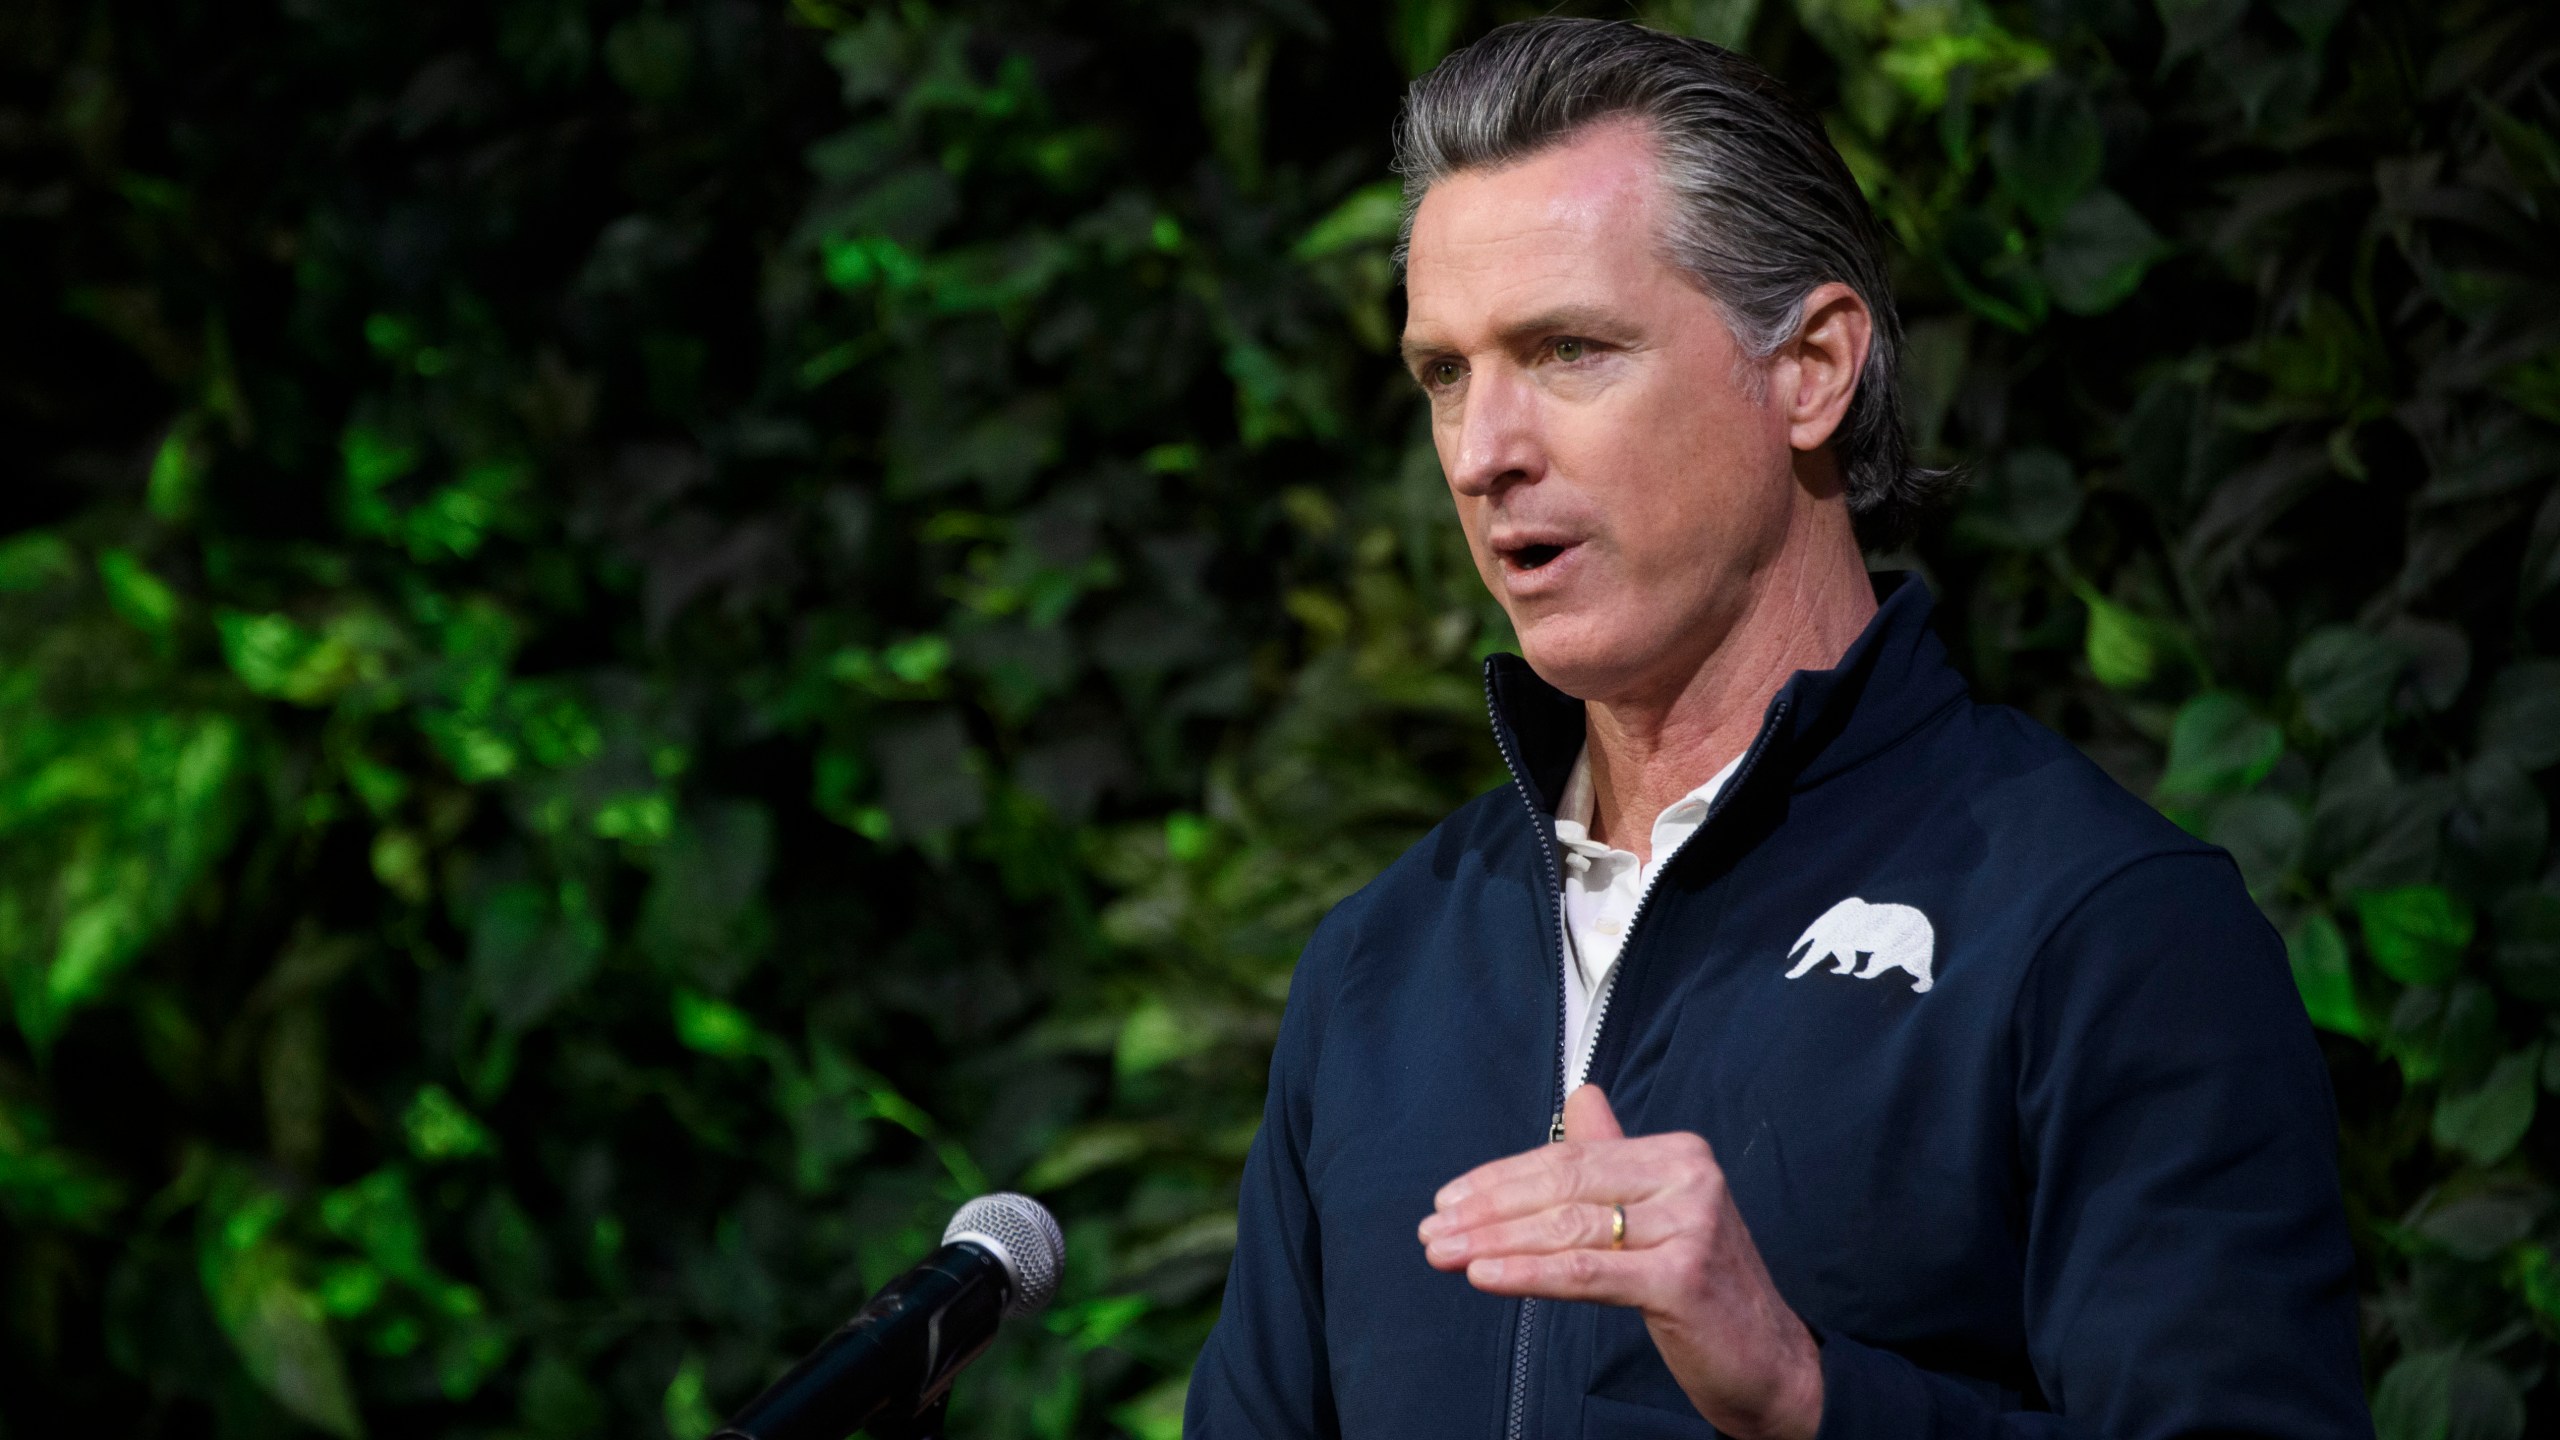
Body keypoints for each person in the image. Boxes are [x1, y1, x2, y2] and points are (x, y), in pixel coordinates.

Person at [1183, 18, 2369, 1440]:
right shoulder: (1381, 963)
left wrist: (1811, 1395)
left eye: (1565, 349)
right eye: (1445, 372)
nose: (1483, 449)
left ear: (1810, 369)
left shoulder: (2098, 930)